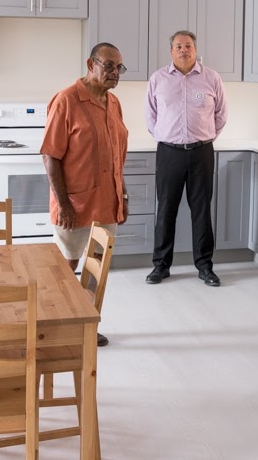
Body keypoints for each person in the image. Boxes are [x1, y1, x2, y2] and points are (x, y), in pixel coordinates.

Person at [41, 42, 130, 347]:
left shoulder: (114, 103)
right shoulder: (66, 100)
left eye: (119, 67)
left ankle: (85, 324)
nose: (114, 73)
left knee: (97, 266)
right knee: (66, 267)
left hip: (107, 200)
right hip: (75, 203)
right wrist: (64, 204)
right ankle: (52, 326)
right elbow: (50, 156)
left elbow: (117, 153)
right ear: (91, 64)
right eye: (108, 66)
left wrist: (123, 194)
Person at [144, 30, 227, 287]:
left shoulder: (211, 78)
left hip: (202, 152)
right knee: (165, 209)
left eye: (188, 45)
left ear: (195, 49)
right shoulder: (158, 79)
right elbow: (151, 117)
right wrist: (167, 137)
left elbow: (221, 115)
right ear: (171, 51)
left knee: (201, 210)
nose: (184, 50)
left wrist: (204, 136)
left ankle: (205, 267)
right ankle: (161, 266)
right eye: (178, 46)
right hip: (168, 153)